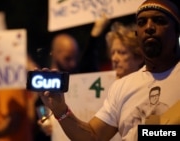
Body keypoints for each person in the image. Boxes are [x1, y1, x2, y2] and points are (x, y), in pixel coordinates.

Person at [37, 0, 180, 140]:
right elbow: (93, 136)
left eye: (159, 20)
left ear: (177, 30)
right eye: (142, 22)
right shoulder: (122, 87)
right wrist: (60, 110)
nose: (149, 27)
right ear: (137, 34)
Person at [34, 33, 79, 141]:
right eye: (67, 58)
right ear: (54, 54)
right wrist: (45, 120)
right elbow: (41, 108)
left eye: (75, 58)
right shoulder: (44, 82)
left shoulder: (79, 78)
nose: (73, 63)